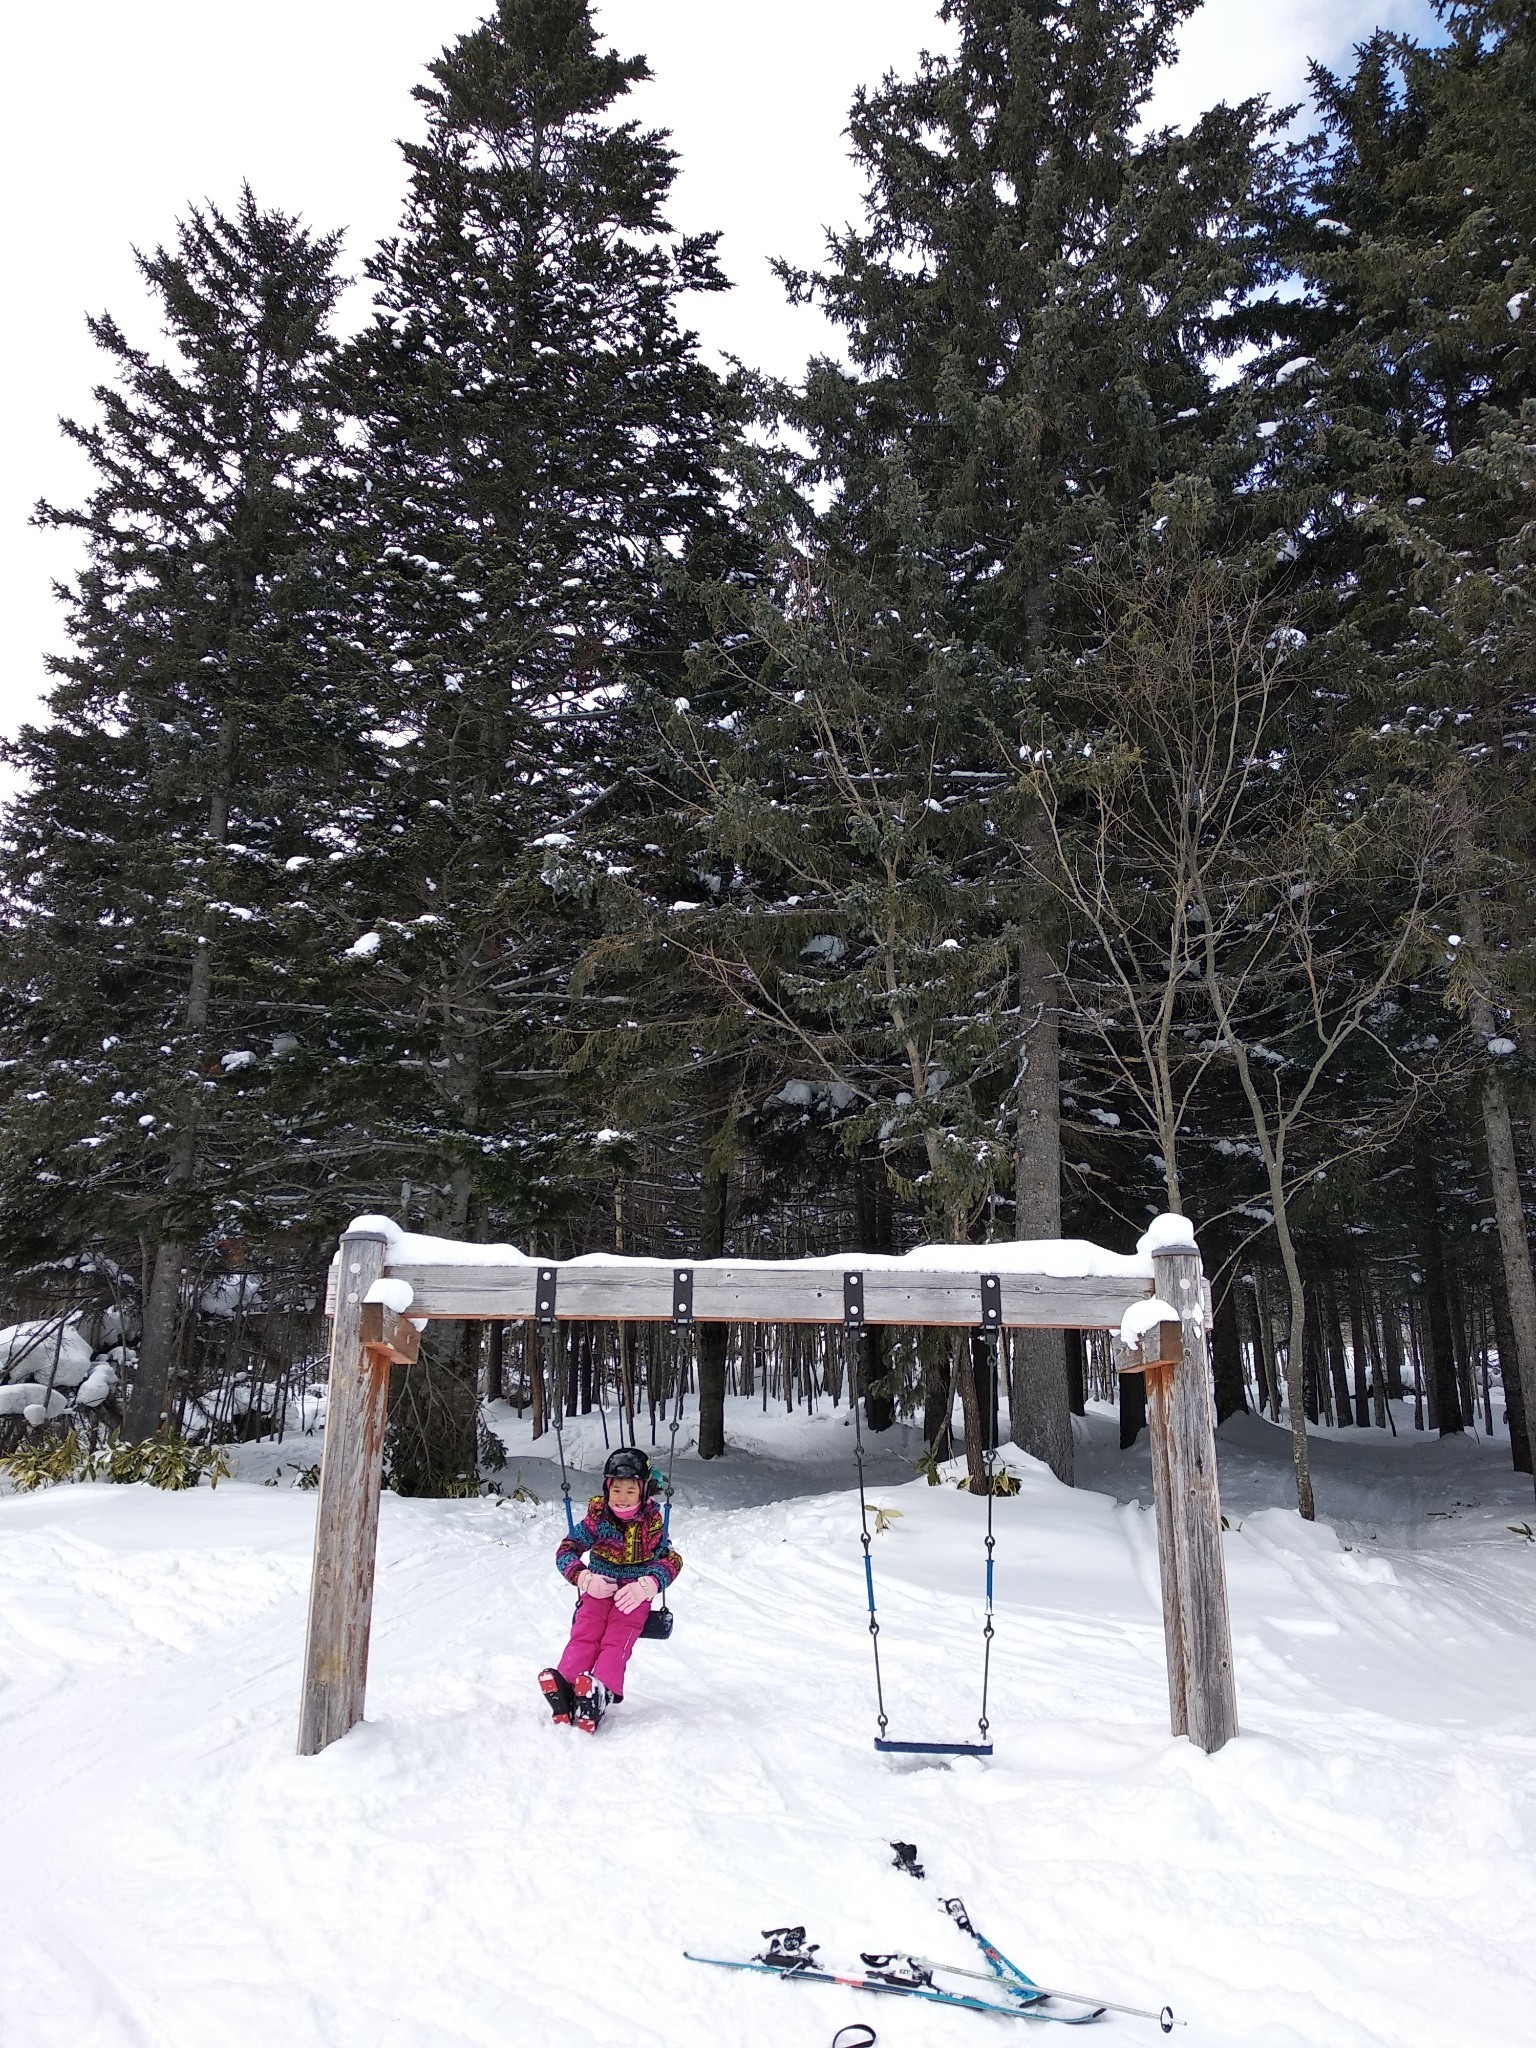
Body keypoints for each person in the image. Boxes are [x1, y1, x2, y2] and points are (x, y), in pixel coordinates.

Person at [538, 1445, 682, 1733]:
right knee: (584, 1636)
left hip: (633, 1596)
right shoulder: (597, 1519)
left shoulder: (653, 1523)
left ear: (642, 1491)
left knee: (616, 1642)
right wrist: (584, 1578)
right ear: (607, 1489)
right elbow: (566, 1550)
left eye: (630, 1491)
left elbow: (673, 1560)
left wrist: (649, 1584)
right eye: (616, 1490)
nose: (622, 1498)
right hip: (598, 1588)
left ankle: (599, 1691)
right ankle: (566, 1686)